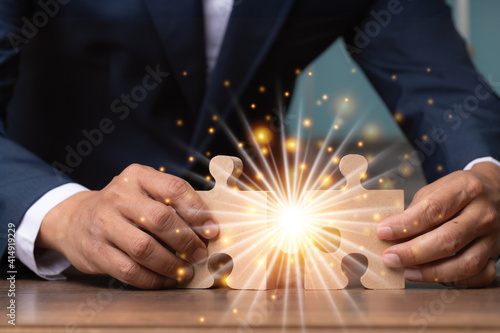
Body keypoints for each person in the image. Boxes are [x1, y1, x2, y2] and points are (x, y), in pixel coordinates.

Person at [1, 0, 499, 289]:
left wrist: (488, 172)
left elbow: (444, 88)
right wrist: (63, 214)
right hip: (42, 277)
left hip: (257, 283)